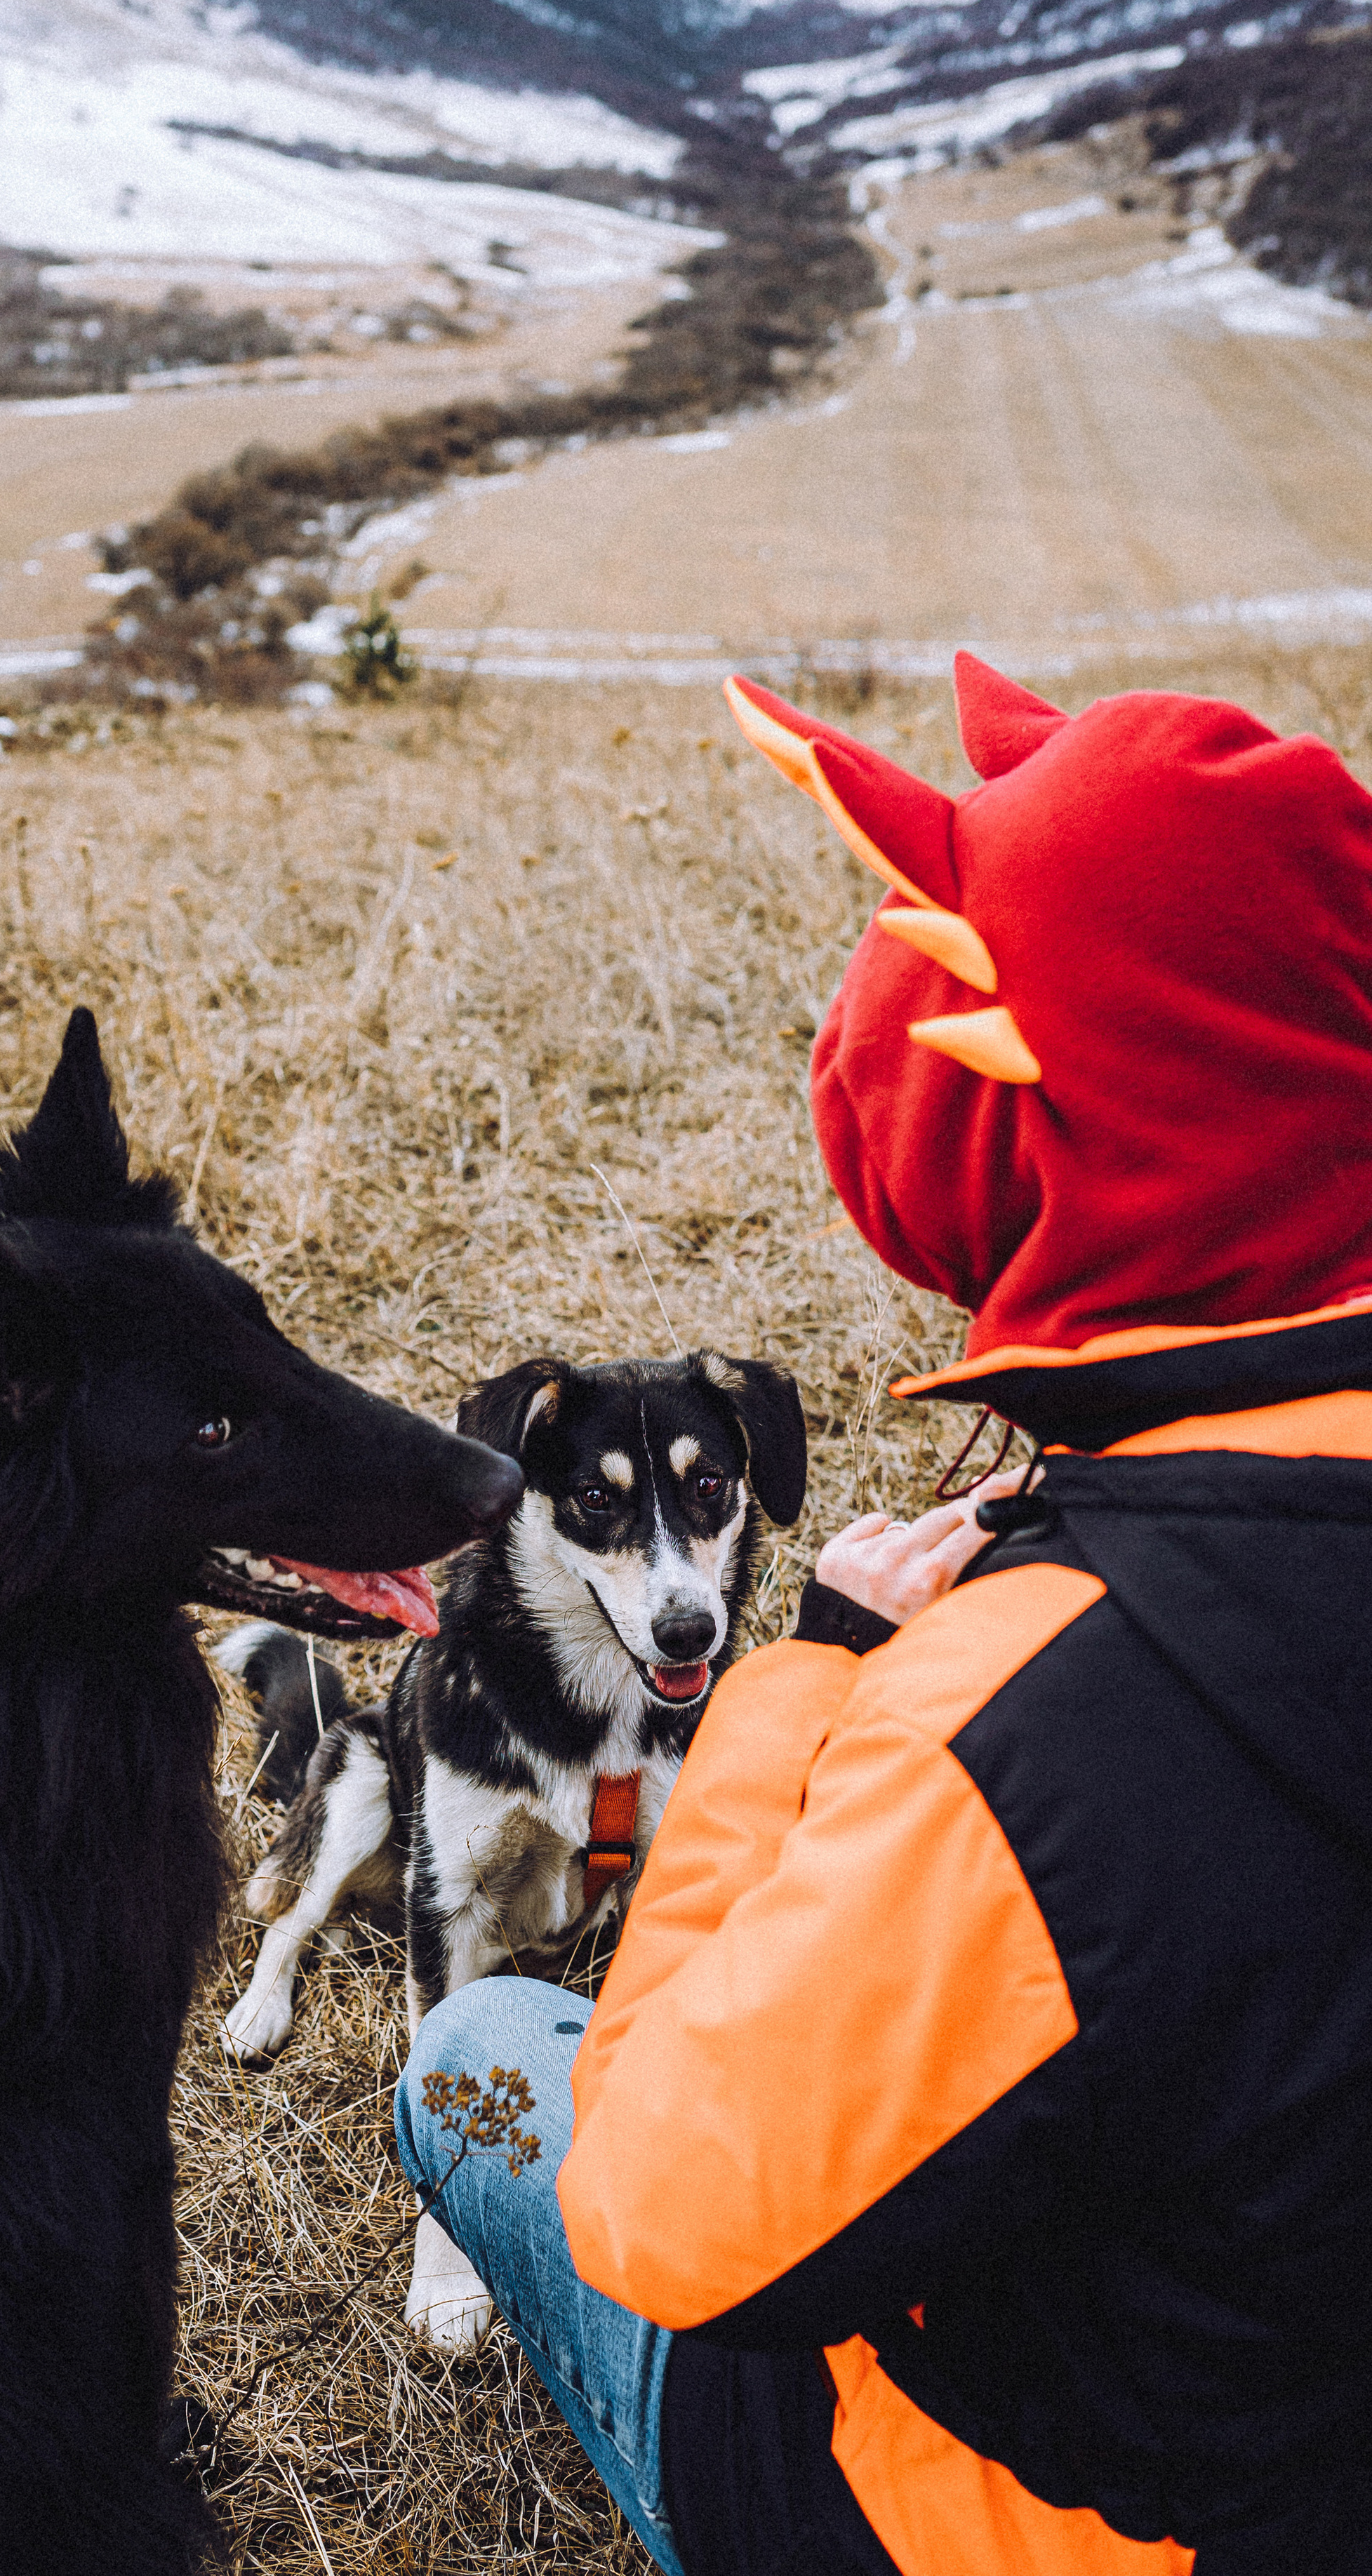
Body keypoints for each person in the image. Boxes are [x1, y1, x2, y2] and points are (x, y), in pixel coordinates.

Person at [395, 653, 1372, 2576]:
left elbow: (664, 2212)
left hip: (1040, 2529)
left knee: (483, 2055)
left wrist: (814, 1684)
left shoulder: (1011, 1720)